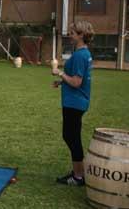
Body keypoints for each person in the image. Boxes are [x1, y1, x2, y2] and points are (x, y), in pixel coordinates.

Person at [52, 21, 94, 186]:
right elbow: (78, 80)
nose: (69, 35)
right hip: (76, 102)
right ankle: (79, 172)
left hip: (74, 103)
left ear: (81, 35)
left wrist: (59, 72)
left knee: (71, 137)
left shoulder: (79, 55)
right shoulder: (84, 53)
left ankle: (78, 176)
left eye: (72, 33)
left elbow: (76, 82)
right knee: (71, 136)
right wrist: (61, 82)